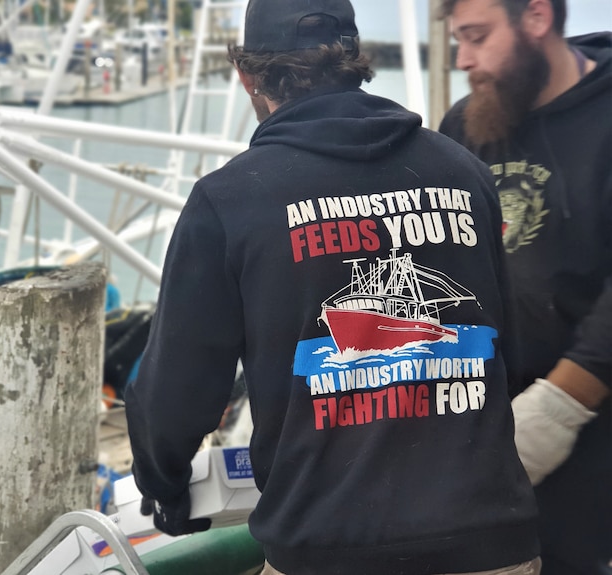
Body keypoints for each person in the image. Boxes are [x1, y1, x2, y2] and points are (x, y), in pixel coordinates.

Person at [124, 0, 541, 573]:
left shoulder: (229, 201)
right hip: (491, 540)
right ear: (354, 61)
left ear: (248, 77)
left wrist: (165, 484)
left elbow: (176, 385)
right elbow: (511, 354)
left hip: (326, 547)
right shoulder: (462, 171)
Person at [438, 0, 611, 572]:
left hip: (590, 446)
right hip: (491, 451)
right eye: (456, 39)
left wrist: (558, 409)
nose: (464, 58)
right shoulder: (465, 126)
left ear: (537, 17)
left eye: (478, 36)